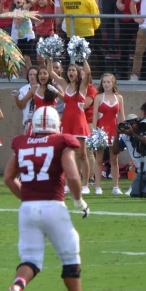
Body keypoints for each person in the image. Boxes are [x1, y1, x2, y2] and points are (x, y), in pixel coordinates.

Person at [2, 105, 97, 291]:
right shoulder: (61, 142)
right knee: (71, 255)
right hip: (53, 206)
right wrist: (78, 201)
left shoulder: (22, 143)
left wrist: (26, 197)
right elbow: (73, 177)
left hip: (27, 210)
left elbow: (8, 178)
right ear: (57, 125)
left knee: (31, 260)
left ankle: (18, 285)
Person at [49, 60, 93, 194]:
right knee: (68, 155)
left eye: (73, 70)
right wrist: (49, 56)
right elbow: (51, 72)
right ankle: (68, 184)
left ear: (78, 73)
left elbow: (88, 72)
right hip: (67, 122)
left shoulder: (83, 86)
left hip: (79, 122)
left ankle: (85, 184)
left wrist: (84, 57)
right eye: (69, 70)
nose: (71, 73)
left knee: (82, 155)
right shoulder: (65, 84)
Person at [92, 73, 125, 195]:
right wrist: (94, 132)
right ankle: (98, 187)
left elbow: (122, 116)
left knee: (114, 159)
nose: (106, 84)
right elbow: (95, 115)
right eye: (104, 82)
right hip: (101, 131)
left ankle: (116, 187)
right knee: (99, 158)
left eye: (108, 82)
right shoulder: (98, 97)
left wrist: (124, 131)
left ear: (113, 83)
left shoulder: (119, 98)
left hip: (114, 131)